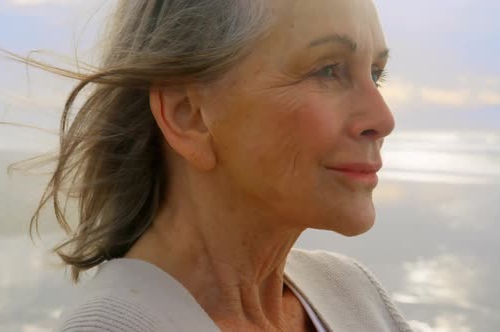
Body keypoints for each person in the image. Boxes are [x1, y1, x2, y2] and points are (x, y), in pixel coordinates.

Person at [29, 0, 413, 330]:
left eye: (376, 75)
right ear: (188, 116)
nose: (383, 119)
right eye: (327, 69)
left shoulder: (350, 290)